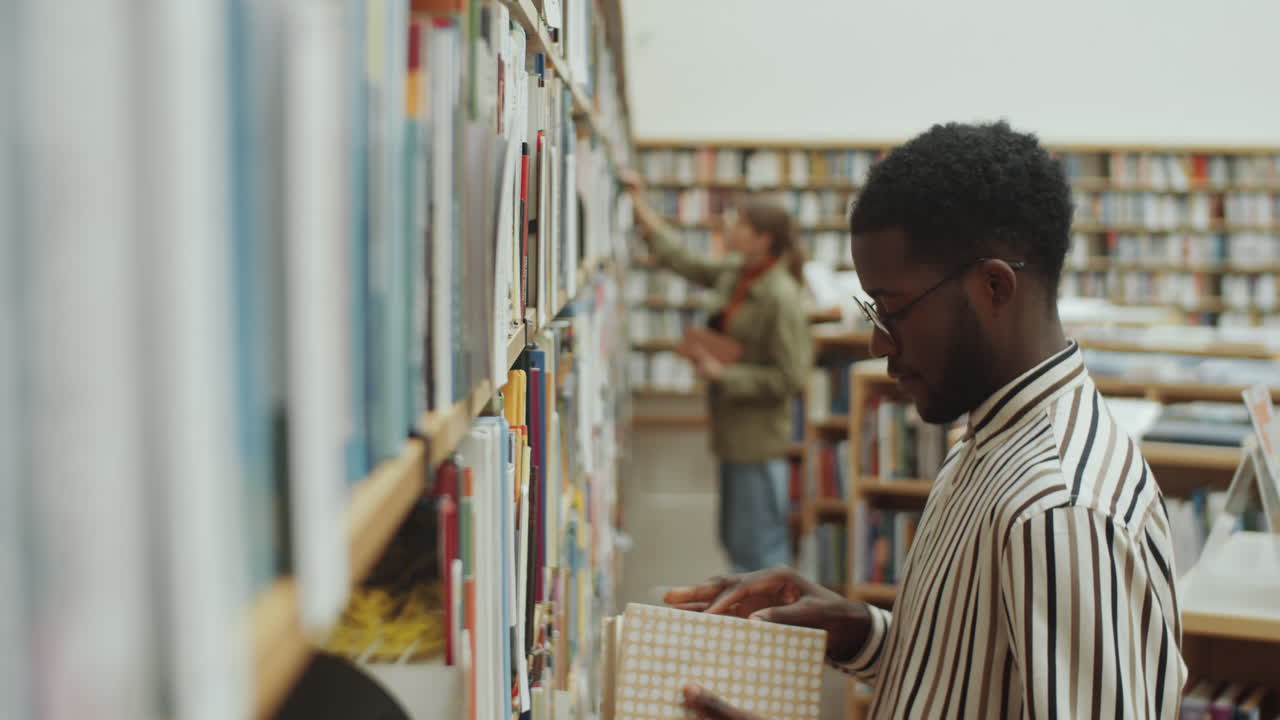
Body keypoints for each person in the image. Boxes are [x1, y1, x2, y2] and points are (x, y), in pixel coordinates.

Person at [662, 122, 1187, 719]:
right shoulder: (987, 438)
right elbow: (977, 682)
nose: (878, 343)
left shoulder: (1060, 511)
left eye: (893, 309)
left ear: (993, 286)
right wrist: (860, 631)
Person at [625, 177, 813, 574]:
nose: (728, 227)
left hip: (757, 438)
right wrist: (640, 204)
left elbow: (791, 377)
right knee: (738, 540)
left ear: (762, 239)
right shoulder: (738, 272)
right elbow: (683, 260)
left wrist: (723, 373)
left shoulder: (781, 296)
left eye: (739, 223)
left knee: (758, 546)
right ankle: (753, 625)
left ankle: (772, 631)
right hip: (731, 429)